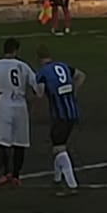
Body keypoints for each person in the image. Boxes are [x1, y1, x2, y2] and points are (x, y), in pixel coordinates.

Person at [0, 38, 39, 187]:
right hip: (20, 105)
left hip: (4, 103)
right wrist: (33, 100)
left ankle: (4, 172)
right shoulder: (24, 66)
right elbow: (37, 86)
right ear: (16, 50)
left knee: (0, 140)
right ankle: (16, 175)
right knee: (20, 141)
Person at [35, 44, 82, 196]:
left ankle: (71, 184)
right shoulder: (63, 66)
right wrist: (73, 90)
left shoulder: (42, 73)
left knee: (59, 148)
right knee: (58, 146)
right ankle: (56, 179)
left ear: (38, 58)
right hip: (72, 112)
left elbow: (40, 94)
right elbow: (81, 75)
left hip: (60, 115)